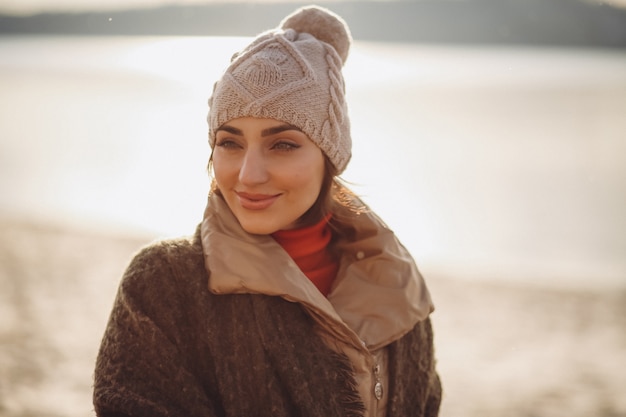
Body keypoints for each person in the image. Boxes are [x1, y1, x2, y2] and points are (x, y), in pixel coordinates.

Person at [93, 5, 441, 417]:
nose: (248, 174)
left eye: (283, 144)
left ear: (330, 157)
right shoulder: (163, 285)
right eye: (230, 142)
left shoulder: (395, 283)